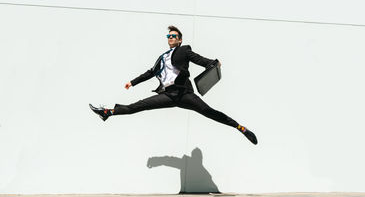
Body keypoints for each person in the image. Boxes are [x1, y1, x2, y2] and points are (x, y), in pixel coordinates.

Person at [89, 25, 257, 145]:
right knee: (138, 106)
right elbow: (150, 72)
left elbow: (199, 59)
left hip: (184, 94)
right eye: (169, 36)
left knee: (208, 112)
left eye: (174, 36)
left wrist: (213, 63)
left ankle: (240, 127)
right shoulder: (162, 58)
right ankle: (108, 112)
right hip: (168, 95)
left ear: (180, 39)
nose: (170, 38)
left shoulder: (184, 50)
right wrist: (132, 82)